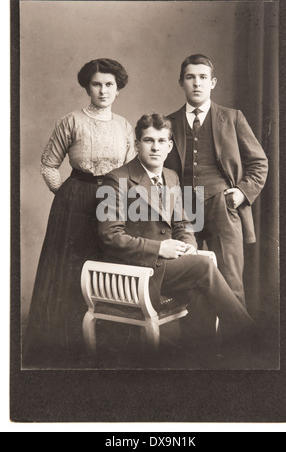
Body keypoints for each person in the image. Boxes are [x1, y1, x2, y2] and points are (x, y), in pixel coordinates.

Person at [97, 113, 255, 363]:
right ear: (137, 145)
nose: (156, 147)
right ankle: (250, 337)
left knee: (200, 280)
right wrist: (160, 248)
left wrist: (188, 247)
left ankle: (200, 358)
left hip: (166, 268)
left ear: (170, 146)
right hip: (135, 271)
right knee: (204, 266)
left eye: (162, 141)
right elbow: (109, 236)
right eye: (149, 141)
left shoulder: (171, 176)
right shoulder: (116, 179)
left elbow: (183, 224)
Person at [23, 58, 136, 368]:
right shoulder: (70, 121)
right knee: (70, 269)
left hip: (111, 199)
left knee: (107, 267)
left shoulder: (125, 126)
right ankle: (64, 344)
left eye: (109, 84)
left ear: (118, 90)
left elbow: (128, 171)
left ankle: (105, 343)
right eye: (97, 84)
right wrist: (64, 195)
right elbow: (48, 163)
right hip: (75, 199)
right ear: (87, 86)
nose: (103, 90)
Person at [165, 54, 268, 310]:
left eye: (202, 77)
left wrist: (241, 193)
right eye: (190, 77)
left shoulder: (232, 118)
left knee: (231, 280)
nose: (196, 83)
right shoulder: (169, 123)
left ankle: (236, 346)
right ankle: (197, 347)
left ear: (213, 83)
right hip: (184, 213)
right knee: (191, 281)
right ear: (181, 83)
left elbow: (259, 162)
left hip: (223, 207)